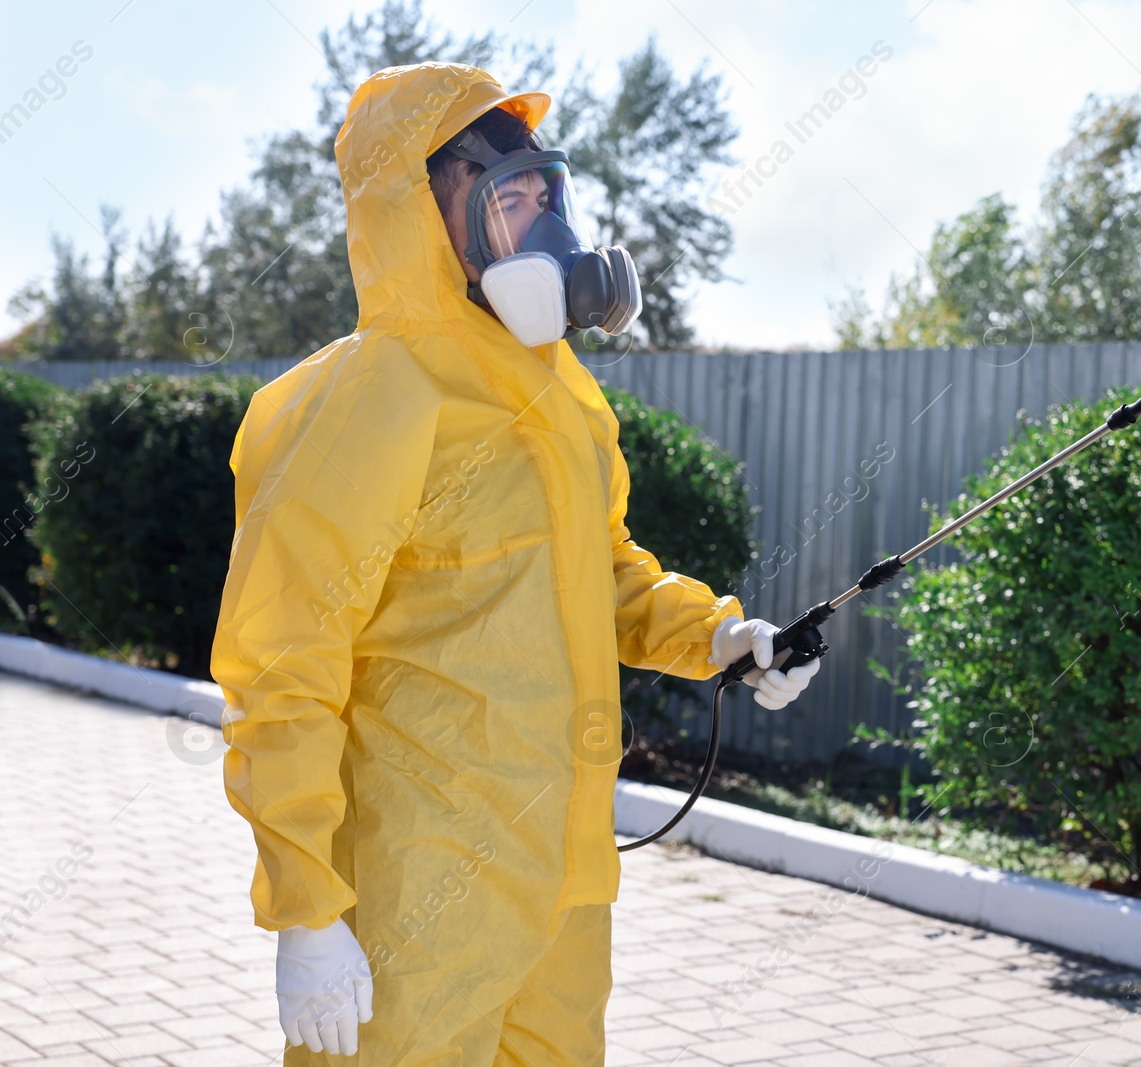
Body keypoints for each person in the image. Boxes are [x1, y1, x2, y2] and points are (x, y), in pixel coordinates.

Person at [211, 61, 820, 1066]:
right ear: (424, 210)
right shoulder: (372, 393)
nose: (541, 221)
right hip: (418, 886)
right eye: (509, 196)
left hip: (564, 876)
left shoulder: (558, 395)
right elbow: (285, 660)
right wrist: (308, 906)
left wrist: (720, 635)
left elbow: (606, 572)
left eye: (547, 193)